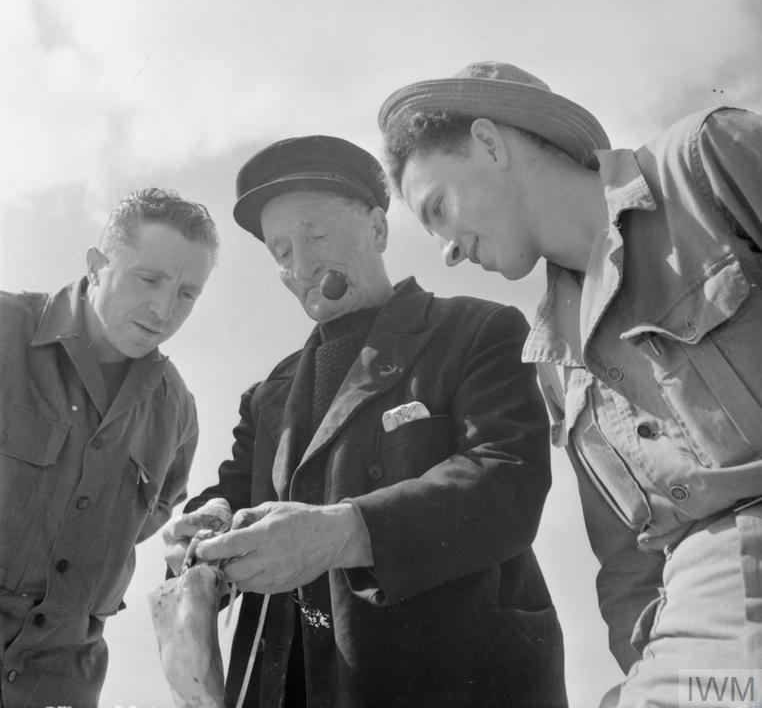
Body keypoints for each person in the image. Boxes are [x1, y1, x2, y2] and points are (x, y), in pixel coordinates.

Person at [377, 61, 762, 707]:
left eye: (437, 208)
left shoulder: (704, 163)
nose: (444, 249)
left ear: (490, 144)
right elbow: (628, 565)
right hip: (699, 643)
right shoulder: (554, 358)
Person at [162, 135, 567, 708]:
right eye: (280, 251)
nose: (300, 266)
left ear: (378, 230)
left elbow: (507, 481)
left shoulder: (480, 331)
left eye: (318, 236)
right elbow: (231, 492)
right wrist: (205, 521)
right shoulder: (266, 396)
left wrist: (343, 533)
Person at [0, 188, 218, 708]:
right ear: (97, 265)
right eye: (150, 279)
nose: (165, 309)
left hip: (60, 689)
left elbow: (144, 525)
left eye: (188, 293)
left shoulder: (178, 415)